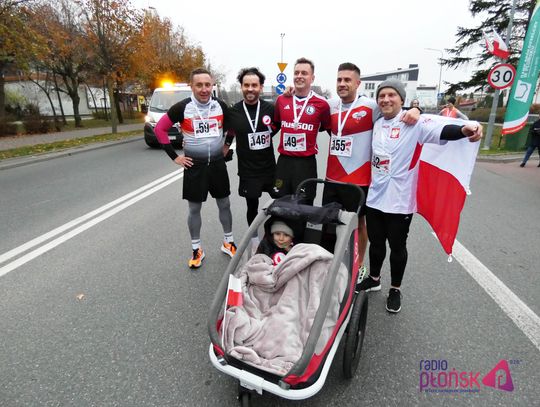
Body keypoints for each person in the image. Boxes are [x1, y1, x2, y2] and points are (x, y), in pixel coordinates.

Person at [356, 79, 482, 313]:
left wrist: (465, 130)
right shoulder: (377, 123)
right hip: (375, 197)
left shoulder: (415, 123)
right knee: (376, 243)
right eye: (382, 95)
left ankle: (395, 289)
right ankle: (374, 279)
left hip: (400, 201)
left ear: (402, 100)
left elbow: (444, 130)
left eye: (391, 95)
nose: (385, 99)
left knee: (397, 247)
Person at [323, 63, 420, 282]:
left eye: (347, 80)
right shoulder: (330, 105)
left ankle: (358, 266)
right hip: (332, 177)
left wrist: (416, 109)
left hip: (359, 179)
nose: (342, 84)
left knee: (359, 224)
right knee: (329, 223)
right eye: (339, 80)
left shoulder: (371, 106)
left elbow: (394, 109)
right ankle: (329, 263)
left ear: (358, 83)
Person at [154, 67, 236, 269]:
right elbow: (160, 129)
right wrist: (175, 157)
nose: (204, 89)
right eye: (199, 85)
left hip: (217, 164)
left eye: (207, 84)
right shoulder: (182, 107)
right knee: (194, 208)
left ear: (212, 85)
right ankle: (196, 248)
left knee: (224, 204)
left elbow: (233, 125)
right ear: (191, 86)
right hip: (195, 166)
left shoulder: (220, 106)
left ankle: (228, 242)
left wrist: (227, 145)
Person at [225, 67, 279, 236]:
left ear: (261, 87)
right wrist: (226, 146)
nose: (250, 89)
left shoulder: (270, 109)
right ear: (241, 86)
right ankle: (254, 240)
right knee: (252, 207)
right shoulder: (233, 111)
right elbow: (231, 131)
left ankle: (276, 236)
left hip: (270, 169)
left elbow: (278, 125)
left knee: (281, 203)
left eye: (254, 85)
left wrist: (268, 134)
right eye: (246, 85)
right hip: (248, 171)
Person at [273, 57, 331, 204]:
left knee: (304, 204)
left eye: (304, 73)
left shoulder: (322, 104)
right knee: (280, 202)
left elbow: (327, 127)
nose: (299, 76)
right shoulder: (281, 100)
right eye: (296, 72)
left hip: (306, 164)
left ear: (312, 78)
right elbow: (276, 124)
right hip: (284, 162)